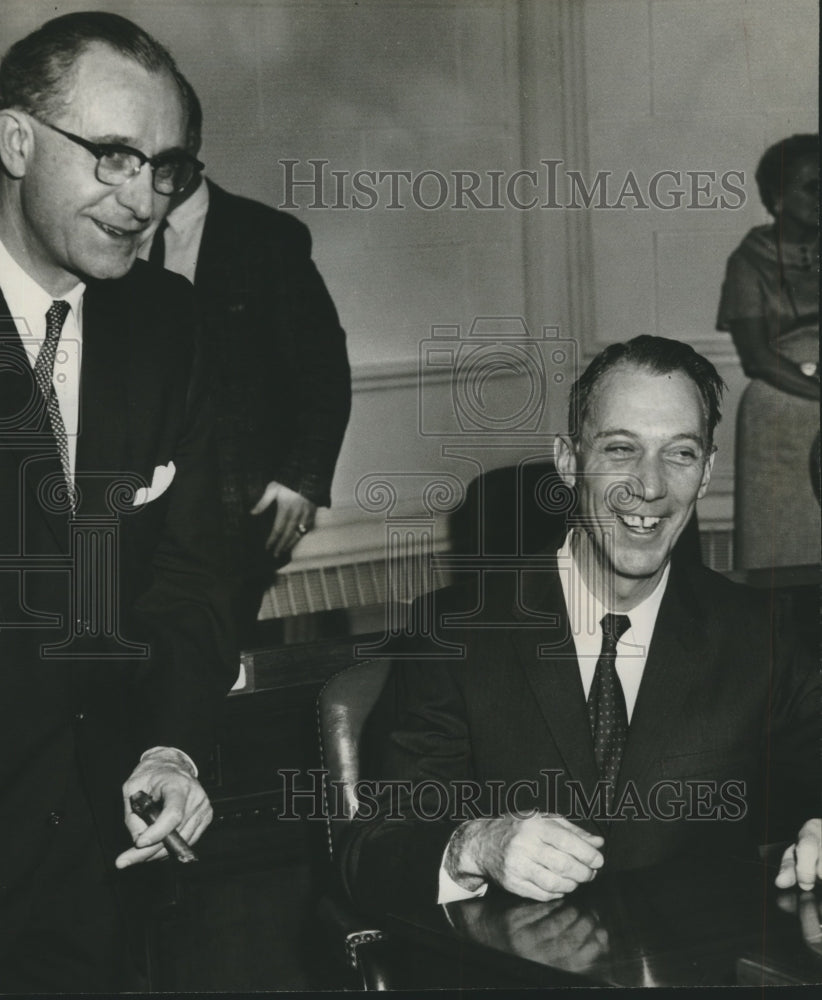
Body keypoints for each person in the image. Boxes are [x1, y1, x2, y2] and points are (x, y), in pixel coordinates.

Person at [338, 336, 820, 915]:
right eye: (621, 449)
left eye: (681, 453)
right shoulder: (454, 634)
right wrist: (475, 846)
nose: (649, 486)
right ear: (569, 460)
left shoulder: (758, 632)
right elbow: (372, 852)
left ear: (708, 470)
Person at [0, 12, 235, 991]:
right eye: (112, 156)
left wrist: (173, 745)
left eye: (165, 167)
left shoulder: (170, 324)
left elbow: (192, 571)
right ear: (15, 139)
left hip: (107, 869)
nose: (143, 199)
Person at [139, 82, 351, 643]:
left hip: (233, 516)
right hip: (131, 514)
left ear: (193, 146)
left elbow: (324, 371)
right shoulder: (109, 231)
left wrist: (301, 483)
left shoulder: (267, 240)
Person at [717, 134, 820, 569]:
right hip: (782, 418)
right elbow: (757, 357)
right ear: (777, 198)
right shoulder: (748, 262)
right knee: (785, 558)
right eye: (812, 187)